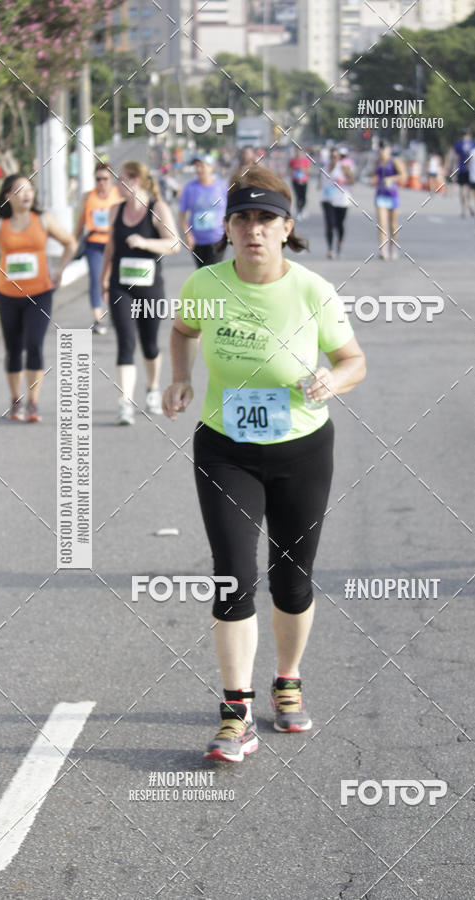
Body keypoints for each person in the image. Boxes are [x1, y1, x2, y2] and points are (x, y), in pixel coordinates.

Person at [162, 167, 366, 763]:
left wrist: (335, 378)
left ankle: (288, 678)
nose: (254, 229)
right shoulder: (204, 284)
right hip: (226, 448)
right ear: (226, 228)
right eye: (243, 219)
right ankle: (235, 713)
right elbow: (182, 331)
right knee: (231, 573)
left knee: (292, 578)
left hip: (302, 451)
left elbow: (355, 360)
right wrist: (179, 378)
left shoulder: (312, 291)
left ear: (286, 228)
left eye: (266, 219)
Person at [0, 174, 76, 422]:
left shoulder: (43, 219)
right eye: (19, 190)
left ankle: (33, 402)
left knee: (34, 344)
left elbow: (70, 243)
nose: (26, 194)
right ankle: (16, 401)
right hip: (7, 294)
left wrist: (60, 270)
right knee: (13, 349)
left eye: (29, 190)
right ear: (8, 196)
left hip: (40, 293)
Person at [100, 160, 180, 425]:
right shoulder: (116, 211)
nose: (116, 184)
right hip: (121, 285)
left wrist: (145, 242)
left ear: (135, 180)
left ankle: (153, 388)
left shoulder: (157, 209)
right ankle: (125, 403)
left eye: (121, 179)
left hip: (150, 287)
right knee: (126, 342)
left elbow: (174, 244)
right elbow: (110, 246)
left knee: (149, 344)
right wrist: (103, 277)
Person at [74, 162, 121, 335]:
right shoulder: (88, 197)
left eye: (105, 179)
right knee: (96, 279)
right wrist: (73, 241)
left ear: (111, 179)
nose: (101, 182)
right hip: (94, 243)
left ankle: (117, 314)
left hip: (114, 243)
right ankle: (98, 319)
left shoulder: (118, 195)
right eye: (98, 179)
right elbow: (80, 222)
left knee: (115, 279)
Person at [179, 153, 227, 268]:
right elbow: (181, 214)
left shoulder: (221, 186)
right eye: (197, 166)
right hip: (197, 240)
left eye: (202, 166)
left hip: (217, 238)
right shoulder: (190, 188)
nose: (199, 169)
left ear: (211, 167)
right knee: (201, 272)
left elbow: (230, 210)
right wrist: (187, 234)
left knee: (214, 272)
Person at [319, 147, 354, 258]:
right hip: (327, 199)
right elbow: (321, 182)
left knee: (339, 224)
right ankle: (330, 248)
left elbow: (352, 180)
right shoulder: (324, 168)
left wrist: (344, 180)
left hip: (341, 200)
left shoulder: (343, 167)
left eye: (336, 157)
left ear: (339, 158)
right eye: (331, 157)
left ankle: (339, 242)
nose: (333, 159)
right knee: (329, 224)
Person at [372, 143, 406, 260]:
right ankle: (384, 249)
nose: (382, 152)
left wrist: (391, 179)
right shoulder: (377, 162)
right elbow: (373, 174)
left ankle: (394, 246)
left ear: (389, 150)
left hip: (392, 195)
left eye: (384, 149)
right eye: (380, 149)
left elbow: (403, 175)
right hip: (380, 195)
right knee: (382, 224)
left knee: (393, 224)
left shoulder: (394, 161)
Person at [453, 130, 475, 217]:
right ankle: (470, 203)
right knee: (470, 189)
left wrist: (455, 169)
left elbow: (457, 157)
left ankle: (463, 209)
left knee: (462, 189)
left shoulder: (459, 144)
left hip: (461, 168)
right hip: (471, 169)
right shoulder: (473, 144)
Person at [288, 146, 311, 219]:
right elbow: (289, 170)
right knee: (297, 196)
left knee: (303, 196)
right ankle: (299, 211)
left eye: (299, 151)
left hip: (304, 181)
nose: (298, 153)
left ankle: (303, 209)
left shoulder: (305, 160)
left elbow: (309, 171)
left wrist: (303, 170)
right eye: (297, 151)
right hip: (295, 181)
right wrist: (292, 175)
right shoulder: (292, 160)